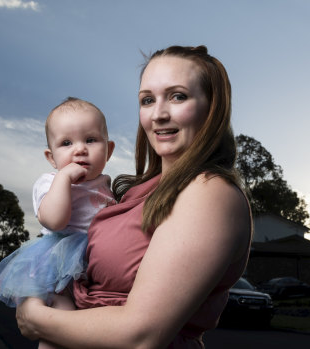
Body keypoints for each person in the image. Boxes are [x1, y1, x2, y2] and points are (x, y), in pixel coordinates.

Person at [16, 45, 252, 348]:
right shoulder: (134, 192)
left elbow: (142, 336)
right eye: (148, 100)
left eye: (178, 96)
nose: (159, 114)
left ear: (212, 107)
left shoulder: (209, 192)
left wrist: (36, 320)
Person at [0, 97, 116, 348]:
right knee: (61, 322)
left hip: (95, 261)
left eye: (90, 140)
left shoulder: (107, 184)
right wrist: (64, 179)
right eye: (66, 143)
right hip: (60, 261)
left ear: (108, 150)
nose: (79, 149)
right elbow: (55, 221)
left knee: (90, 326)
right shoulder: (50, 181)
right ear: (51, 157)